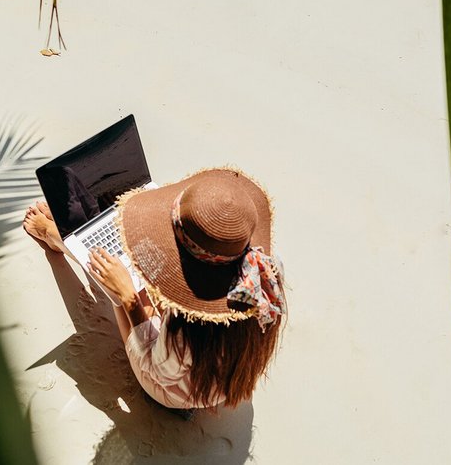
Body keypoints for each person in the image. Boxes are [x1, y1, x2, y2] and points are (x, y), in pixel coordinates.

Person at [23, 168, 286, 410]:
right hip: (222, 369)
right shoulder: (263, 270)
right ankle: (74, 234)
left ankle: (57, 236)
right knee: (143, 266)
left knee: (123, 284)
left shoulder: (184, 331)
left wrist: (129, 300)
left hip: (181, 388)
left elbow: (161, 370)